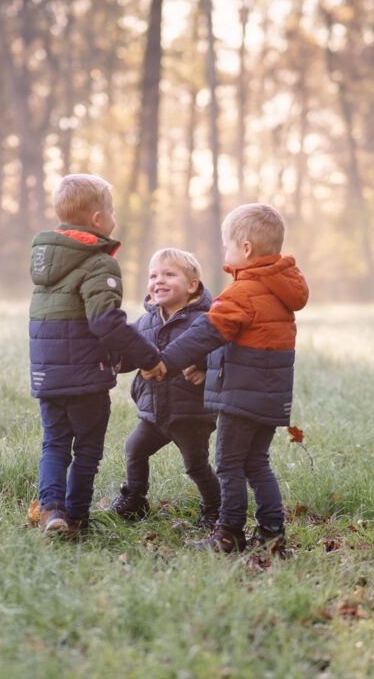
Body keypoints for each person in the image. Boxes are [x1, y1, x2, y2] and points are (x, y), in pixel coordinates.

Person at [142, 203, 309, 554]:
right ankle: (272, 533)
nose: (225, 253)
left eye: (227, 245)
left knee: (230, 464)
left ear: (245, 249)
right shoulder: (279, 291)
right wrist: (203, 368)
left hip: (240, 399)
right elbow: (241, 340)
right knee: (257, 463)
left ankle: (228, 533)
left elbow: (206, 332)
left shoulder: (242, 292)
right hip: (269, 396)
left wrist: (165, 362)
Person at [28, 174, 160, 536]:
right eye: (112, 213)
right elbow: (107, 322)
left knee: (54, 445)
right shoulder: (98, 262)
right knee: (86, 449)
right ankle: (77, 518)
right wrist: (148, 357)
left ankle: (51, 510)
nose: (114, 220)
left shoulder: (46, 263)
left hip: (48, 377)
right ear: (97, 220)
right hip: (86, 377)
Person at [111, 248, 220, 528]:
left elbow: (222, 355)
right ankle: (135, 498)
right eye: (153, 275)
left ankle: (214, 508)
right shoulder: (145, 322)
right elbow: (129, 356)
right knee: (135, 448)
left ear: (192, 285)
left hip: (190, 413)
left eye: (169, 274)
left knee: (195, 465)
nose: (159, 280)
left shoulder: (204, 322)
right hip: (153, 412)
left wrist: (206, 372)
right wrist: (113, 360)